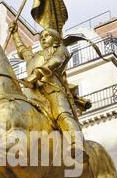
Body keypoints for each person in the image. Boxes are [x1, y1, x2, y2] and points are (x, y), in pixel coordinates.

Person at [9, 22, 87, 159]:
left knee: (62, 114)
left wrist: (36, 74)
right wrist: (15, 33)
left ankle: (77, 144)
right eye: (41, 37)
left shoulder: (60, 49)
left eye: (47, 35)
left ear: (55, 39)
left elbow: (56, 61)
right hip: (32, 93)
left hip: (52, 89)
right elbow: (22, 50)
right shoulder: (34, 56)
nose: (43, 38)